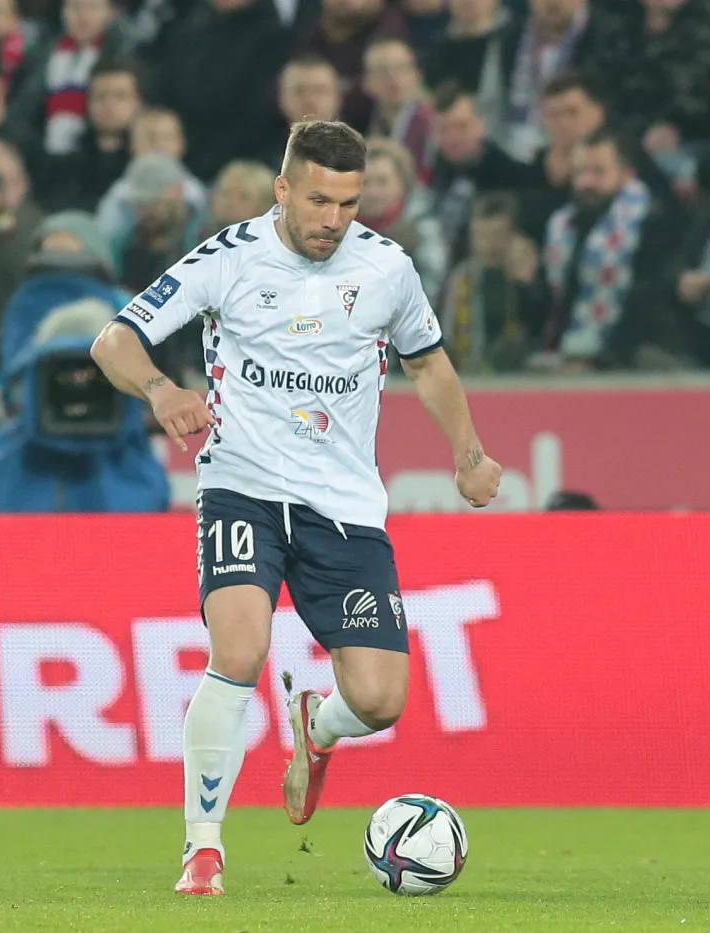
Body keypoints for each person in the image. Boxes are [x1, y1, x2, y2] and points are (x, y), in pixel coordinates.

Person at [88, 119, 502, 897]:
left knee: (380, 699)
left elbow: (429, 363)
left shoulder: (387, 270)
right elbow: (114, 340)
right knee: (238, 651)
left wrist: (468, 451)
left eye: (348, 203)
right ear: (283, 189)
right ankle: (202, 848)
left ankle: (316, 725)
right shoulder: (228, 259)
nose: (333, 220)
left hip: (343, 505)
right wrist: (161, 389)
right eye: (318, 200)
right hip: (241, 483)